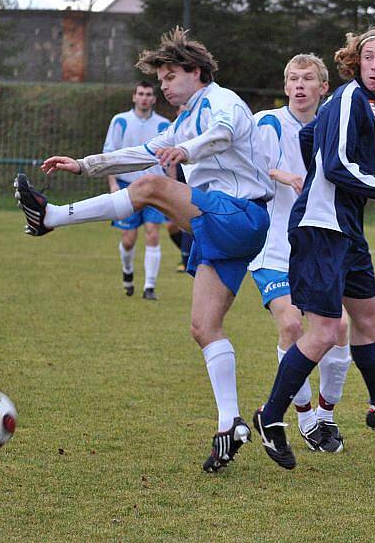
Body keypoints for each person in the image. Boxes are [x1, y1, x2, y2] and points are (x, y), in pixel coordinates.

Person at [14, 27, 273, 473]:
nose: (165, 86)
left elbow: (224, 134)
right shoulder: (181, 120)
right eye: (161, 79)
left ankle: (51, 216)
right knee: (204, 326)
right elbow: (140, 153)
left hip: (241, 214)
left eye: (172, 76)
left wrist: (184, 151)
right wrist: (85, 164)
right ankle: (229, 423)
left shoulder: (220, 101)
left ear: (196, 72)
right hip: (218, 225)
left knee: (152, 186)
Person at [253, 27, 375, 471]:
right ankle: (270, 416)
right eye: (368, 57)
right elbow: (336, 167)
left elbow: (310, 139)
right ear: (356, 61)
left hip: (345, 228)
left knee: (368, 318)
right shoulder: (351, 98)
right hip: (320, 227)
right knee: (325, 331)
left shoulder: (373, 106)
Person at [249, 53, 352, 454]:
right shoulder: (267, 122)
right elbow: (245, 164)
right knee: (292, 325)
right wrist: (280, 174)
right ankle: (306, 417)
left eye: (307, 78)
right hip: (273, 246)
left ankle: (326, 412)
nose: (298, 85)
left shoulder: (334, 126)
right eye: (292, 78)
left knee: (339, 328)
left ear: (323, 87)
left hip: (318, 246)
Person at [102, 81, 171, 300]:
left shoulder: (164, 124)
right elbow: (109, 155)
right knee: (129, 239)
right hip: (127, 186)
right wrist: (112, 184)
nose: (144, 98)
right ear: (134, 97)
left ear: (153, 99)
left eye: (148, 94)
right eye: (140, 94)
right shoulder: (120, 121)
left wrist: (173, 188)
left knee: (152, 233)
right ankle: (128, 270)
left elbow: (170, 162)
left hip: (155, 188)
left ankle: (149, 287)